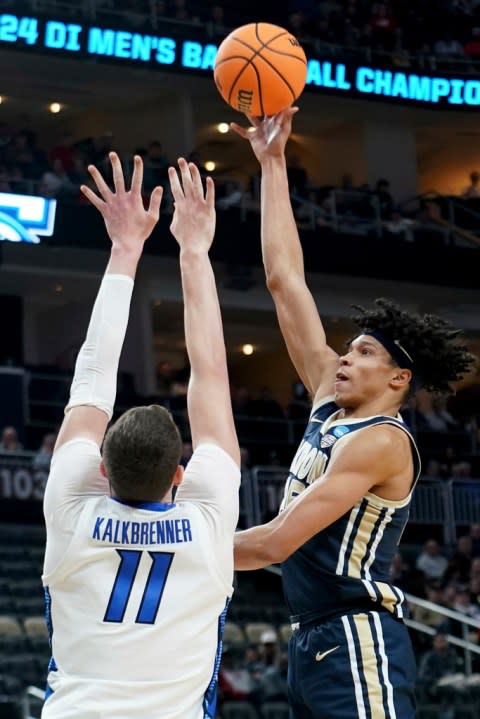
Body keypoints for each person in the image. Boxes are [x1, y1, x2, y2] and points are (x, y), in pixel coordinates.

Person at [231, 107, 475, 719]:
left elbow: (276, 543)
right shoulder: (327, 400)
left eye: (363, 352)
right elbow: (285, 280)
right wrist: (273, 161)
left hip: (356, 636)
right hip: (310, 637)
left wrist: (171, 540)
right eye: (346, 348)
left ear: (399, 377)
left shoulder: (382, 442)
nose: (343, 357)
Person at [41, 153, 241, 719]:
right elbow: (210, 375)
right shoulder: (207, 523)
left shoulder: (73, 511)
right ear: (181, 476)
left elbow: (92, 378)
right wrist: (194, 251)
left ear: (100, 468)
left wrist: (124, 249)